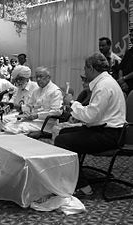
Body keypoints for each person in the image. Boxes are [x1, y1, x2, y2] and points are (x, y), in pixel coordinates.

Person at [54, 53, 126, 194]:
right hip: (105, 130)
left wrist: (72, 103)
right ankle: (72, 177)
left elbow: (91, 116)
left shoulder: (104, 86)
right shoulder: (105, 82)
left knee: (62, 141)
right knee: (64, 133)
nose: (84, 72)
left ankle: (82, 186)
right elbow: (94, 115)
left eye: (85, 69)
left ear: (92, 68)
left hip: (110, 135)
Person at [117, 29, 133, 96]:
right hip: (125, 87)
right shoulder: (128, 52)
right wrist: (122, 81)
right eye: (130, 35)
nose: (131, 38)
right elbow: (121, 67)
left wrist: (124, 78)